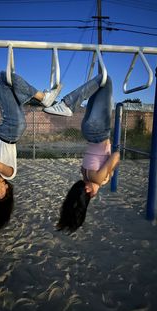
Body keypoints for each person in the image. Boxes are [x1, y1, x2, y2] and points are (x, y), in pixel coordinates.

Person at [0, 71, 62, 230]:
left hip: (8, 129)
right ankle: (43, 98)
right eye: (5, 192)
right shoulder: (9, 173)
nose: (3, 189)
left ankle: (38, 97)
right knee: (3, 78)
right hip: (12, 129)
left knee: (7, 85)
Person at [44, 74, 120, 233]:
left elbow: (116, 156)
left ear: (87, 193)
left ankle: (67, 104)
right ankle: (68, 104)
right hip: (88, 131)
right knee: (100, 85)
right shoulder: (84, 174)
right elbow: (88, 184)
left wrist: (108, 173)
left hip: (99, 131)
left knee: (105, 80)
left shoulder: (97, 178)